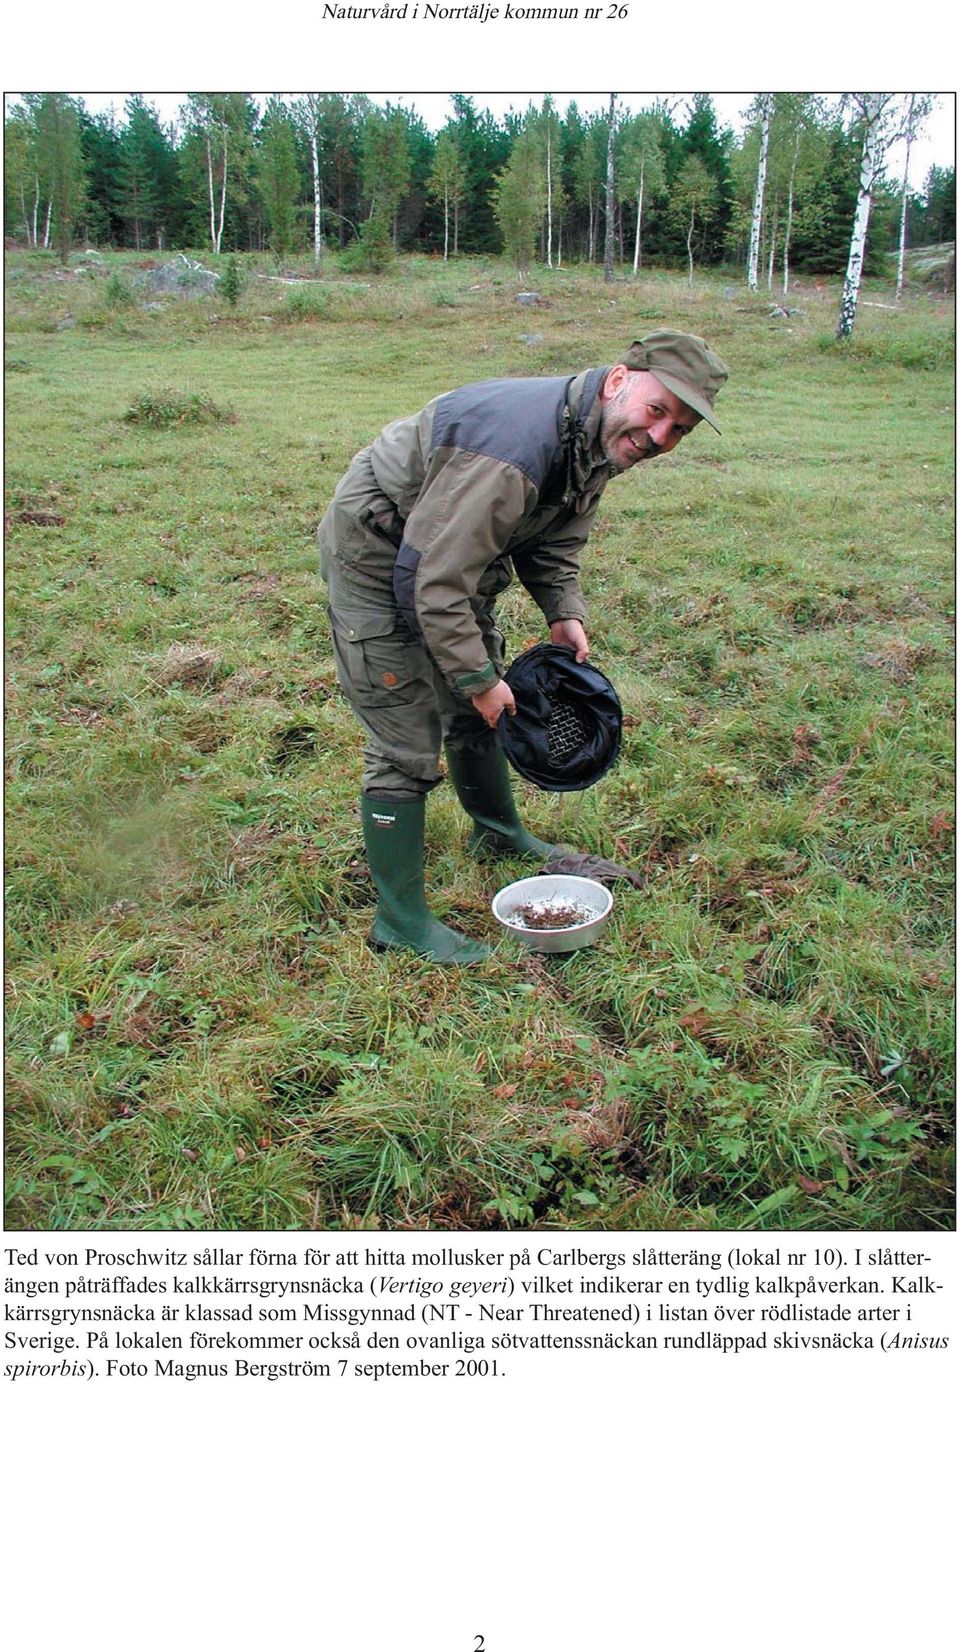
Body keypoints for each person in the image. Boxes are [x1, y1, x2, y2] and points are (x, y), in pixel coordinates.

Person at [318, 328, 729, 963]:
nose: (660, 437)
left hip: (448, 557)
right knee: (409, 734)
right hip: (380, 554)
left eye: (679, 429)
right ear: (619, 380)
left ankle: (499, 834)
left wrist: (563, 612)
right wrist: (479, 678)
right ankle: (399, 922)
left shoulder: (596, 438)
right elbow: (431, 582)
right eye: (657, 411)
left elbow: (555, 538)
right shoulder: (513, 452)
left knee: (479, 706)